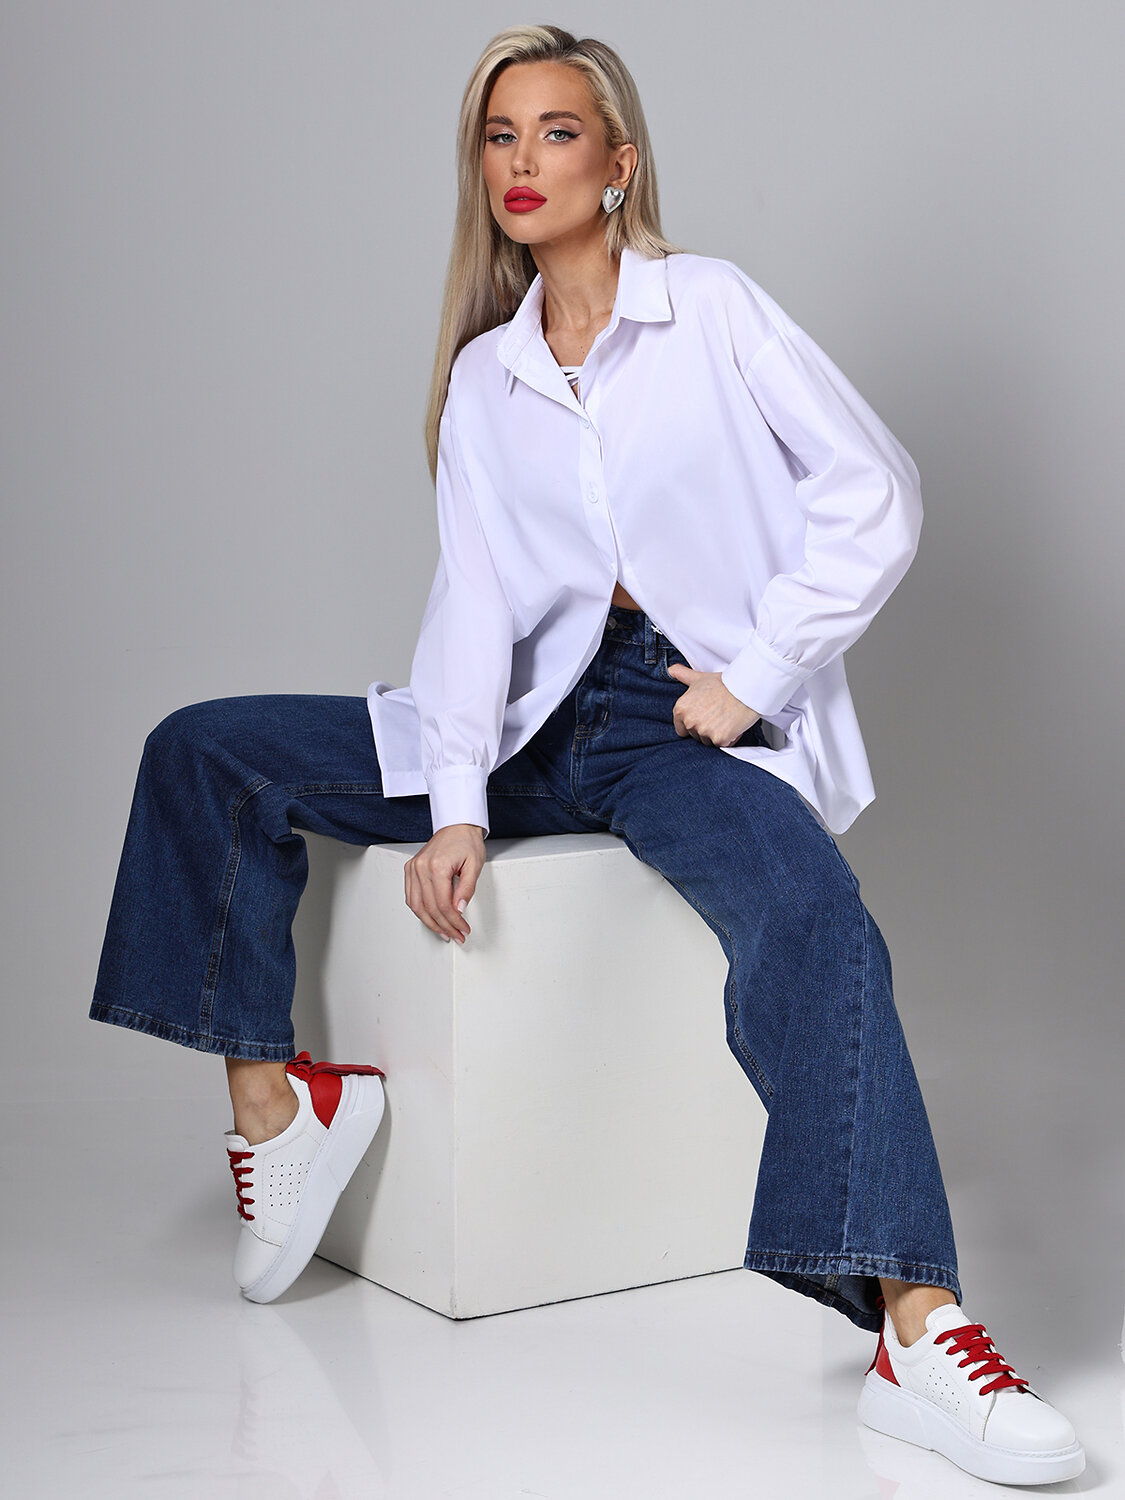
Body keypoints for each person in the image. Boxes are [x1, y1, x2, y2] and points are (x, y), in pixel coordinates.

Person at [89, 23, 1083, 1487]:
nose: (522, 162)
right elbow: (475, 607)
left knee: (810, 917)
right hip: (517, 721)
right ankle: (279, 1109)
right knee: (204, 752)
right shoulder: (487, 380)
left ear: (616, 164)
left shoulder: (712, 310)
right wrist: (457, 803)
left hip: (666, 722)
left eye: (555, 132)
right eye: (499, 136)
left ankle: (914, 1330)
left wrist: (754, 676)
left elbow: (876, 489)